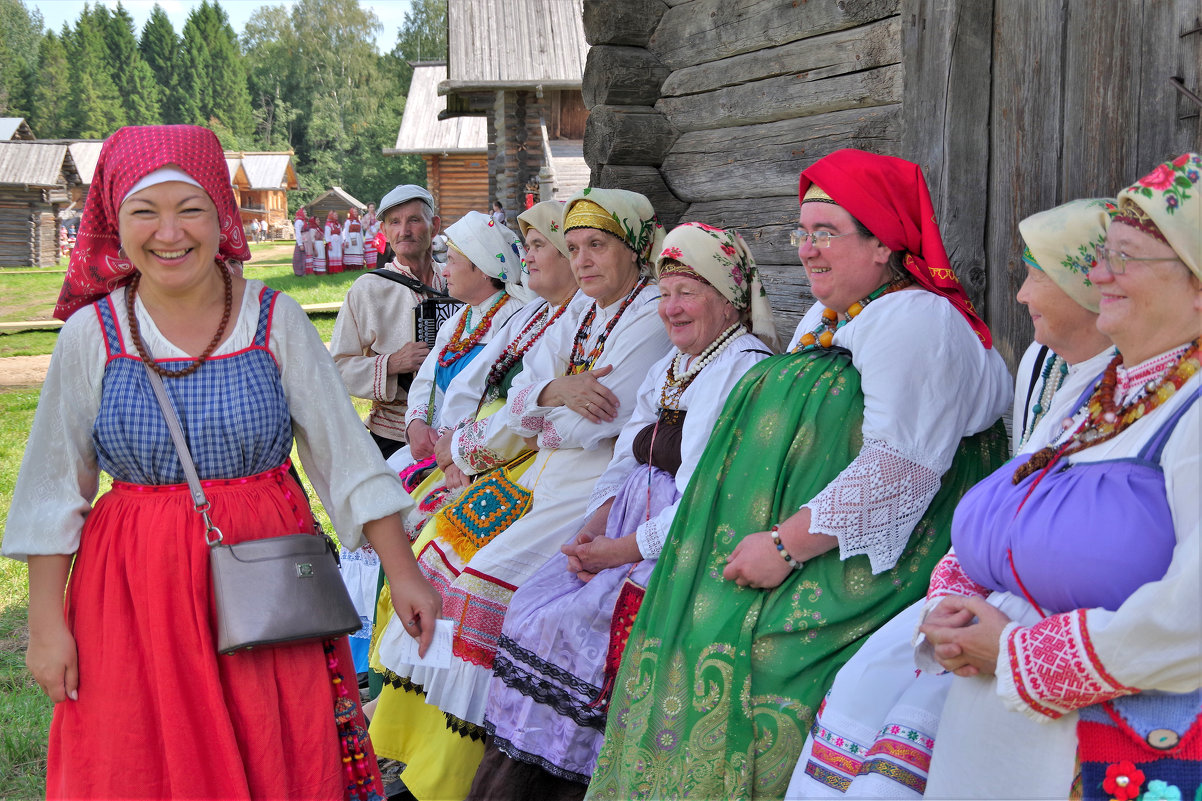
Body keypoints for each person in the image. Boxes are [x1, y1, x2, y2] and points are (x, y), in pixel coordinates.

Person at [2, 124, 441, 800]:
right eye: (144, 211)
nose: (168, 232)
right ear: (114, 221)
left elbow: (345, 457)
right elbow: (52, 489)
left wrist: (403, 572)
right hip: (134, 591)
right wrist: (45, 627)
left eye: (191, 208)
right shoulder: (93, 335)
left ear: (221, 214)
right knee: (143, 757)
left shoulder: (275, 320)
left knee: (273, 747)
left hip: (262, 583)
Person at [586, 150, 1013, 801]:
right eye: (802, 232)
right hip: (806, 542)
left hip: (893, 551)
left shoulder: (916, 320)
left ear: (882, 243)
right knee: (681, 632)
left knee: (761, 657)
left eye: (827, 232)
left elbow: (898, 469)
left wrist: (783, 545)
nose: (808, 250)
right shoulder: (831, 316)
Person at [784, 197, 1117, 800]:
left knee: (928, 726)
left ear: (1088, 286)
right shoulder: (1043, 362)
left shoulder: (1129, 381)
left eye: (1037, 276)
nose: (1018, 297)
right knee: (869, 684)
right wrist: (953, 591)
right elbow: (1014, 489)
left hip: (1055, 606)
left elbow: (905, 465)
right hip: (982, 579)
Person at [368, 188, 672, 801]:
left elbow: (589, 425)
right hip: (544, 467)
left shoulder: (645, 315)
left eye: (597, 247)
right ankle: (420, 745)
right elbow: (531, 393)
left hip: (594, 483)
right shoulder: (586, 312)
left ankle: (467, 762)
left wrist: (547, 404)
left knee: (482, 581)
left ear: (636, 250)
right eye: (574, 246)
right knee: (436, 556)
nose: (581, 261)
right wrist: (556, 393)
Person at [916, 155, 1202, 800]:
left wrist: (1016, 656)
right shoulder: (1096, 397)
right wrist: (955, 610)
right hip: (998, 755)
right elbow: (1002, 525)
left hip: (1115, 758)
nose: (1097, 274)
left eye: (1123, 257)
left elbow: (1194, 615)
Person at [469, 222, 779, 801]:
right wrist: (594, 525)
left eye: (687, 292)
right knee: (532, 605)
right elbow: (624, 452)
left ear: (728, 296)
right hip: (629, 526)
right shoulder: (675, 365)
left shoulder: (740, 368)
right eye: (664, 294)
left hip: (688, 545)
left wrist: (618, 550)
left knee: (572, 626)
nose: (671, 308)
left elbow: (704, 500)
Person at [401, 210, 532, 464]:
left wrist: (453, 443)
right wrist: (416, 425)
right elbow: (429, 379)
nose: (445, 271)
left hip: (483, 450)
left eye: (451, 261)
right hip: (440, 444)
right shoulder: (458, 321)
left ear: (484, 267)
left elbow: (496, 397)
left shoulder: (516, 319)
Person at [329, 185, 441, 458]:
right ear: (384, 230)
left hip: (457, 430)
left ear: (434, 225)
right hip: (394, 433)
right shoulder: (369, 289)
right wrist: (391, 364)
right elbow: (338, 366)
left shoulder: (456, 279)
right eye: (394, 222)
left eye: (414, 220)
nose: (404, 230)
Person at [364, 202, 380, 267]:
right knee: (369, 248)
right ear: (368, 208)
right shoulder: (366, 216)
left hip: (377, 232)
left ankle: (377, 263)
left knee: (376, 248)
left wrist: (376, 232)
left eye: (373, 207)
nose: (372, 209)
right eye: (370, 207)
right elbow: (365, 225)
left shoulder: (377, 216)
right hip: (369, 233)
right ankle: (370, 264)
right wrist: (371, 232)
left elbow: (380, 223)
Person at [292, 208, 307, 276]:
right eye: (304, 212)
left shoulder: (303, 221)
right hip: (301, 242)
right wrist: (300, 244)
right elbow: (298, 233)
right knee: (299, 258)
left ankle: (304, 271)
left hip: (305, 241)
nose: (306, 213)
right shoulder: (298, 222)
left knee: (304, 257)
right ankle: (299, 272)